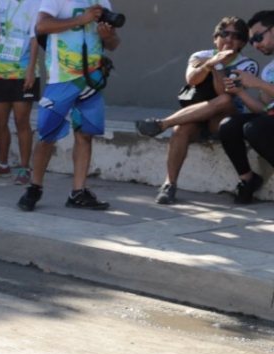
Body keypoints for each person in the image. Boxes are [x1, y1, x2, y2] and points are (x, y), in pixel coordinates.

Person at [134, 17, 257, 204]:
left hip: (224, 119)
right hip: (197, 115)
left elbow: (224, 93)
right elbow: (192, 79)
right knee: (180, 129)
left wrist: (218, 66)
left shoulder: (248, 65)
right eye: (225, 34)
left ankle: (161, 124)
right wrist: (209, 63)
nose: (229, 40)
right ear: (215, 37)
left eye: (236, 36)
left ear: (242, 43)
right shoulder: (200, 55)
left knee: (223, 99)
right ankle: (169, 184)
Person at [17, 0, 120, 212]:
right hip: (61, 79)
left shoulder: (102, 2)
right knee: (47, 136)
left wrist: (107, 36)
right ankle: (34, 187)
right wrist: (81, 19)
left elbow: (114, 44)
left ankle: (78, 192)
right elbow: (41, 26)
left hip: (92, 80)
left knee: (85, 134)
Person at [0, 0, 41, 184]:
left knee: (21, 121)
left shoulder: (35, 4)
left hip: (23, 72)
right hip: (1, 72)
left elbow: (35, 38)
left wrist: (31, 70)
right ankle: (2, 164)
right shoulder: (2, 3)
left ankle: (24, 167)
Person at [220, 10, 274, 205]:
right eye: (252, 41)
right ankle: (247, 179)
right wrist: (241, 92)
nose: (256, 44)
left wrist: (258, 84)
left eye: (258, 37)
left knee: (255, 128)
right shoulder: (269, 69)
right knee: (228, 125)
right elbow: (263, 111)